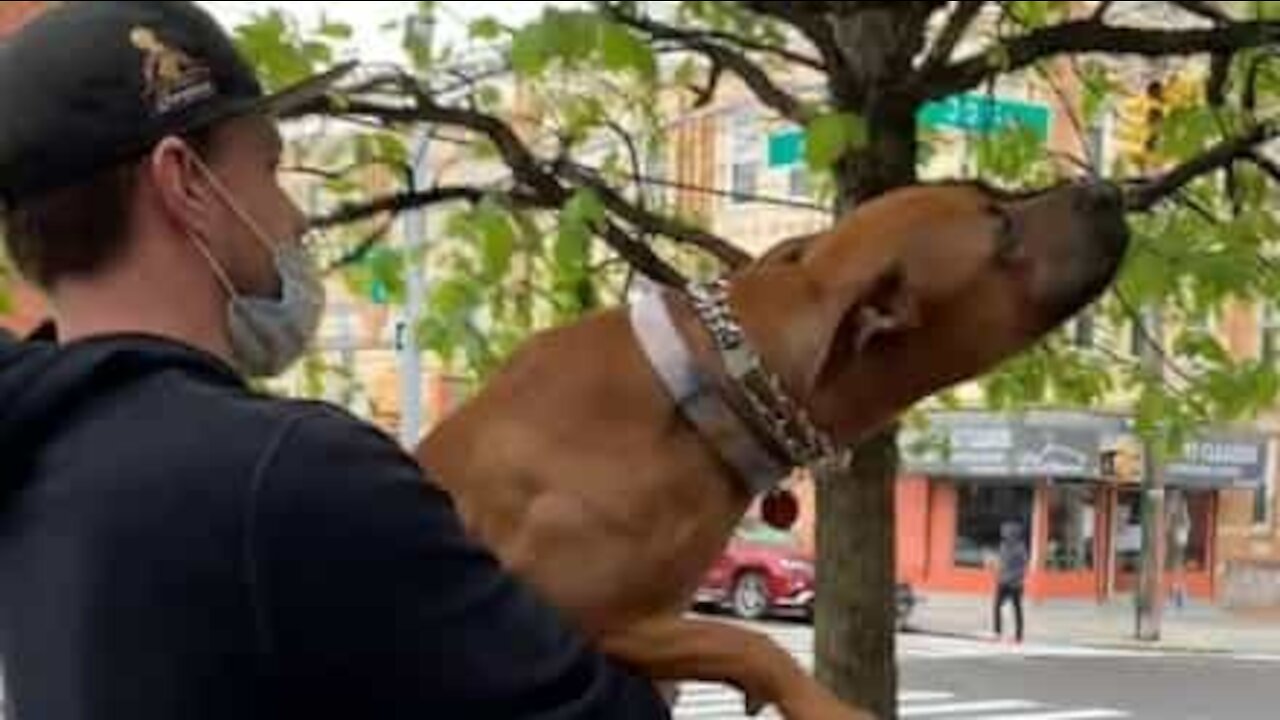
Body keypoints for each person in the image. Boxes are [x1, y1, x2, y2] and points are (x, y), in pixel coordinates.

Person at [0, 3, 669, 718]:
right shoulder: (292, 474)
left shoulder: (32, 457)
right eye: (268, 166)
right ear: (186, 183)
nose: (293, 217)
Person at [993, 521, 1028, 644]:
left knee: (1017, 609)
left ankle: (1018, 636)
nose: (1004, 534)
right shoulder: (1002, 546)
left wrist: (1014, 578)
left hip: (1015, 584)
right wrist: (997, 571)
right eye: (1004, 532)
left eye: (1006, 532)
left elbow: (1023, 567)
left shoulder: (1020, 548)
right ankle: (997, 633)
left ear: (1013, 534)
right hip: (1002, 581)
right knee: (997, 606)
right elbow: (1001, 562)